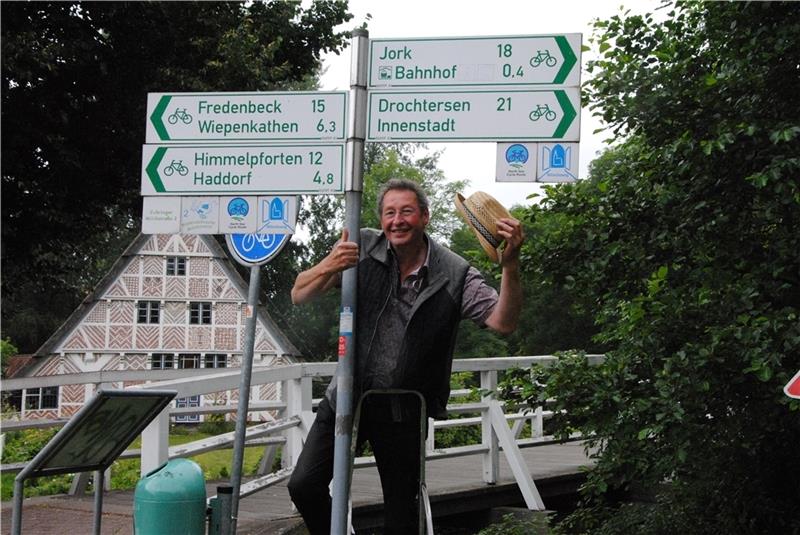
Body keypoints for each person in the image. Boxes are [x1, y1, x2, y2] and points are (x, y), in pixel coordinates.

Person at [287, 179, 524, 534]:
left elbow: (503, 322)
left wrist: (510, 266)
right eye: (389, 212)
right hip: (347, 396)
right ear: (381, 219)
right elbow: (298, 294)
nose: (397, 220)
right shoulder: (362, 245)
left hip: (403, 408)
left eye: (407, 211)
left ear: (425, 217)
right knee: (303, 485)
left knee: (401, 513)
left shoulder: (455, 273)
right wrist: (330, 265)